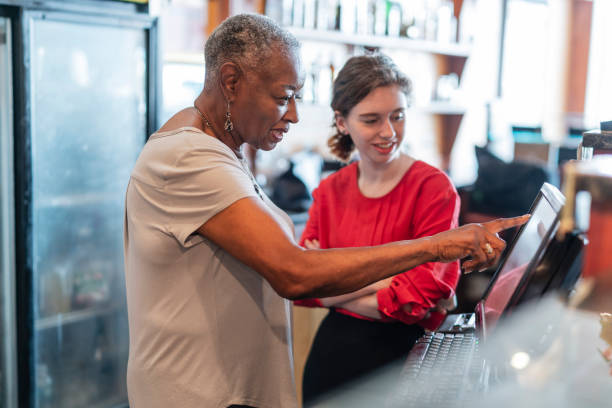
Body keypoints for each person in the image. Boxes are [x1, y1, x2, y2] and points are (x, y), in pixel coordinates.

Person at [123, 13, 527, 408]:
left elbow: (362, 282)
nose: (295, 115)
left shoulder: (215, 148)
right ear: (231, 81)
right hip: (199, 391)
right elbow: (297, 274)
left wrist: (334, 285)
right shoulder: (190, 158)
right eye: (284, 98)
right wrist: (434, 247)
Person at [294, 54, 463, 404]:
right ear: (342, 122)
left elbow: (422, 297)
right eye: (371, 120)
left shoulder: (433, 188)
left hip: (402, 360)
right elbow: (303, 285)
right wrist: (393, 279)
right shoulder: (329, 192)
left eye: (398, 116)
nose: (389, 132)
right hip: (332, 360)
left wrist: (334, 277)